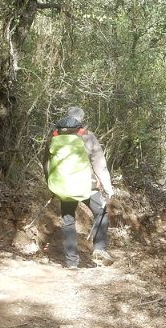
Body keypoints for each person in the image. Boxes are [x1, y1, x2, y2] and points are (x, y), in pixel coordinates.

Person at [42, 106, 114, 269]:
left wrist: (51, 184)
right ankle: (99, 248)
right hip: (87, 186)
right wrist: (108, 187)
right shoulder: (87, 136)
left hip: (63, 186)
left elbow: (46, 163)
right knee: (101, 212)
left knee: (68, 221)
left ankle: (71, 262)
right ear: (81, 119)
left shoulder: (53, 136)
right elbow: (99, 164)